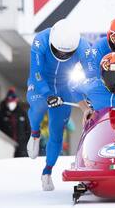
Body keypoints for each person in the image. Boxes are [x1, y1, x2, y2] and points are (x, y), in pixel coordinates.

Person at [25, 19, 95, 191]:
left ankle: (47, 172)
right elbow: (36, 73)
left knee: (57, 132)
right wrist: (48, 95)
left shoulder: (83, 47)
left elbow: (92, 75)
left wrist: (91, 99)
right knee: (39, 106)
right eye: (59, 52)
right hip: (42, 83)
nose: (63, 56)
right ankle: (35, 134)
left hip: (65, 86)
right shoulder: (40, 40)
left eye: (68, 53)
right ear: (51, 43)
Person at [48, 52, 115, 124]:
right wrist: (85, 108)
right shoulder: (93, 85)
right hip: (99, 135)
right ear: (102, 75)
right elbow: (72, 85)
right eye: (111, 76)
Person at [0, 88, 30, 157]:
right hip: (7, 146)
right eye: (9, 102)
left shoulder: (22, 113)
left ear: (16, 101)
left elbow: (28, 129)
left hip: (22, 147)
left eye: (13, 102)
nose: (11, 104)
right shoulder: (1, 114)